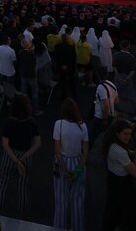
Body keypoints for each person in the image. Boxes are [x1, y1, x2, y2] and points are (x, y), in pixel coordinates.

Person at [0, 93, 40, 218]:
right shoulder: (31, 122)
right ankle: (23, 216)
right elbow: (37, 143)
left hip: (10, 155)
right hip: (26, 155)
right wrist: (23, 159)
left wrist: (16, 160)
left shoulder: (9, 122)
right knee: (23, 188)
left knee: (3, 184)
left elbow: (5, 143)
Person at [52, 97, 89, 231]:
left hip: (63, 162)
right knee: (77, 202)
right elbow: (85, 152)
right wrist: (78, 171)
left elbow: (57, 151)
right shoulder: (83, 127)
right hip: (78, 162)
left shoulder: (58, 124)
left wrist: (65, 171)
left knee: (61, 202)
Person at [102, 118, 136, 231]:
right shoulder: (121, 152)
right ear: (117, 133)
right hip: (123, 185)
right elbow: (134, 172)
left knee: (112, 209)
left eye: (130, 134)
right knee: (128, 213)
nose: (128, 137)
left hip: (112, 180)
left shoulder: (110, 144)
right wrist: (135, 158)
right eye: (125, 134)